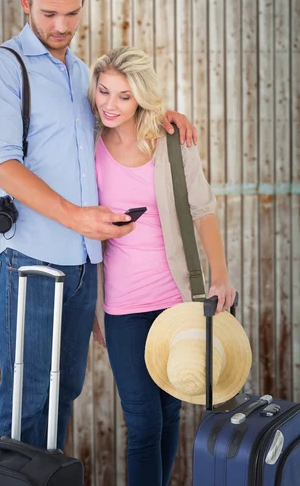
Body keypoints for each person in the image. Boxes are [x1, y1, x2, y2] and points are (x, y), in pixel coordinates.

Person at [0, 0, 196, 451]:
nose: (62, 24)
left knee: (62, 395)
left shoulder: (78, 74)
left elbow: (114, 119)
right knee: (29, 399)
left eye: (72, 13)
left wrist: (161, 117)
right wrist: (77, 218)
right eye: (50, 13)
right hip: (29, 263)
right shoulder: (1, 67)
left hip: (81, 268)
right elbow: (3, 166)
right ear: (25, 2)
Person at [88, 46, 236, 486]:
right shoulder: (87, 142)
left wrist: (221, 275)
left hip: (176, 300)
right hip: (122, 307)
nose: (111, 105)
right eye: (104, 92)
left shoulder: (171, 142)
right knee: (143, 421)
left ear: (142, 99)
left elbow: (202, 209)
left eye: (125, 96)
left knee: (171, 411)